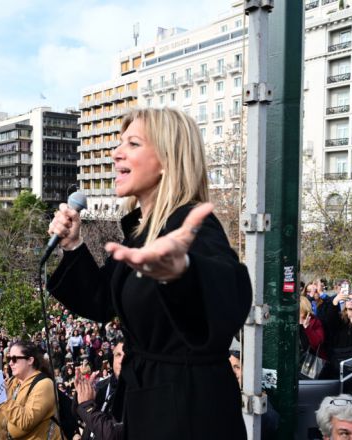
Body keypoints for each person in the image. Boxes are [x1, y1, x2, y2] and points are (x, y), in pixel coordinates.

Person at [46, 108, 252, 439]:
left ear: (167, 160)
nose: (116, 153)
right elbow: (102, 301)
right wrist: (73, 246)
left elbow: (226, 297)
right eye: (120, 143)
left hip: (187, 416)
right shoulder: (142, 232)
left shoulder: (191, 225)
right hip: (149, 406)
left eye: (133, 143)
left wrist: (182, 273)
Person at [0, 341, 60, 440]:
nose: (10, 363)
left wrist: (2, 396)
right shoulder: (11, 381)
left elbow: (26, 421)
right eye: (9, 359)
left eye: (14, 359)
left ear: (30, 360)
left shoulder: (44, 384)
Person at [73, 341, 124, 440]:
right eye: (118, 355)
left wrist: (87, 406)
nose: (121, 360)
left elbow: (113, 435)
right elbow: (77, 413)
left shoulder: (137, 393)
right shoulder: (101, 385)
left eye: (126, 355)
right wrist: (81, 391)